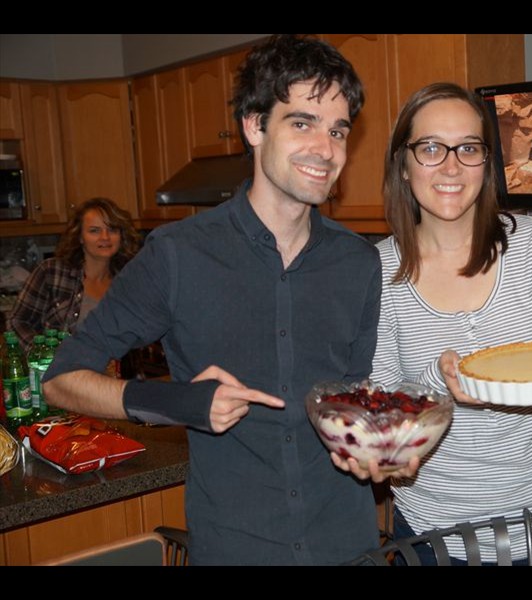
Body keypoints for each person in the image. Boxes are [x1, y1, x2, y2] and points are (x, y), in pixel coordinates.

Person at [43, 35, 383, 565]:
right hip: (237, 547)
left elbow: (355, 398)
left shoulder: (359, 261)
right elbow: (61, 379)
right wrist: (177, 402)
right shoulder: (177, 255)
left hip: (346, 544)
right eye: (302, 123)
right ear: (254, 125)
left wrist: (376, 445)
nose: (326, 148)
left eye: (338, 130)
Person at [365, 82, 532, 565]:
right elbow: (383, 411)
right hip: (433, 538)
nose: (452, 166)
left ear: (487, 161)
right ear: (403, 163)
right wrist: (437, 381)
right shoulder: (375, 273)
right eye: (431, 148)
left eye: (468, 148)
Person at [9, 197, 139, 352]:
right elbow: (17, 321)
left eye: (112, 229)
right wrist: (47, 356)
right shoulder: (52, 272)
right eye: (94, 230)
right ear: (80, 237)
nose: (105, 237)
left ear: (121, 235)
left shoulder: (129, 280)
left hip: (112, 372)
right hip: (60, 373)